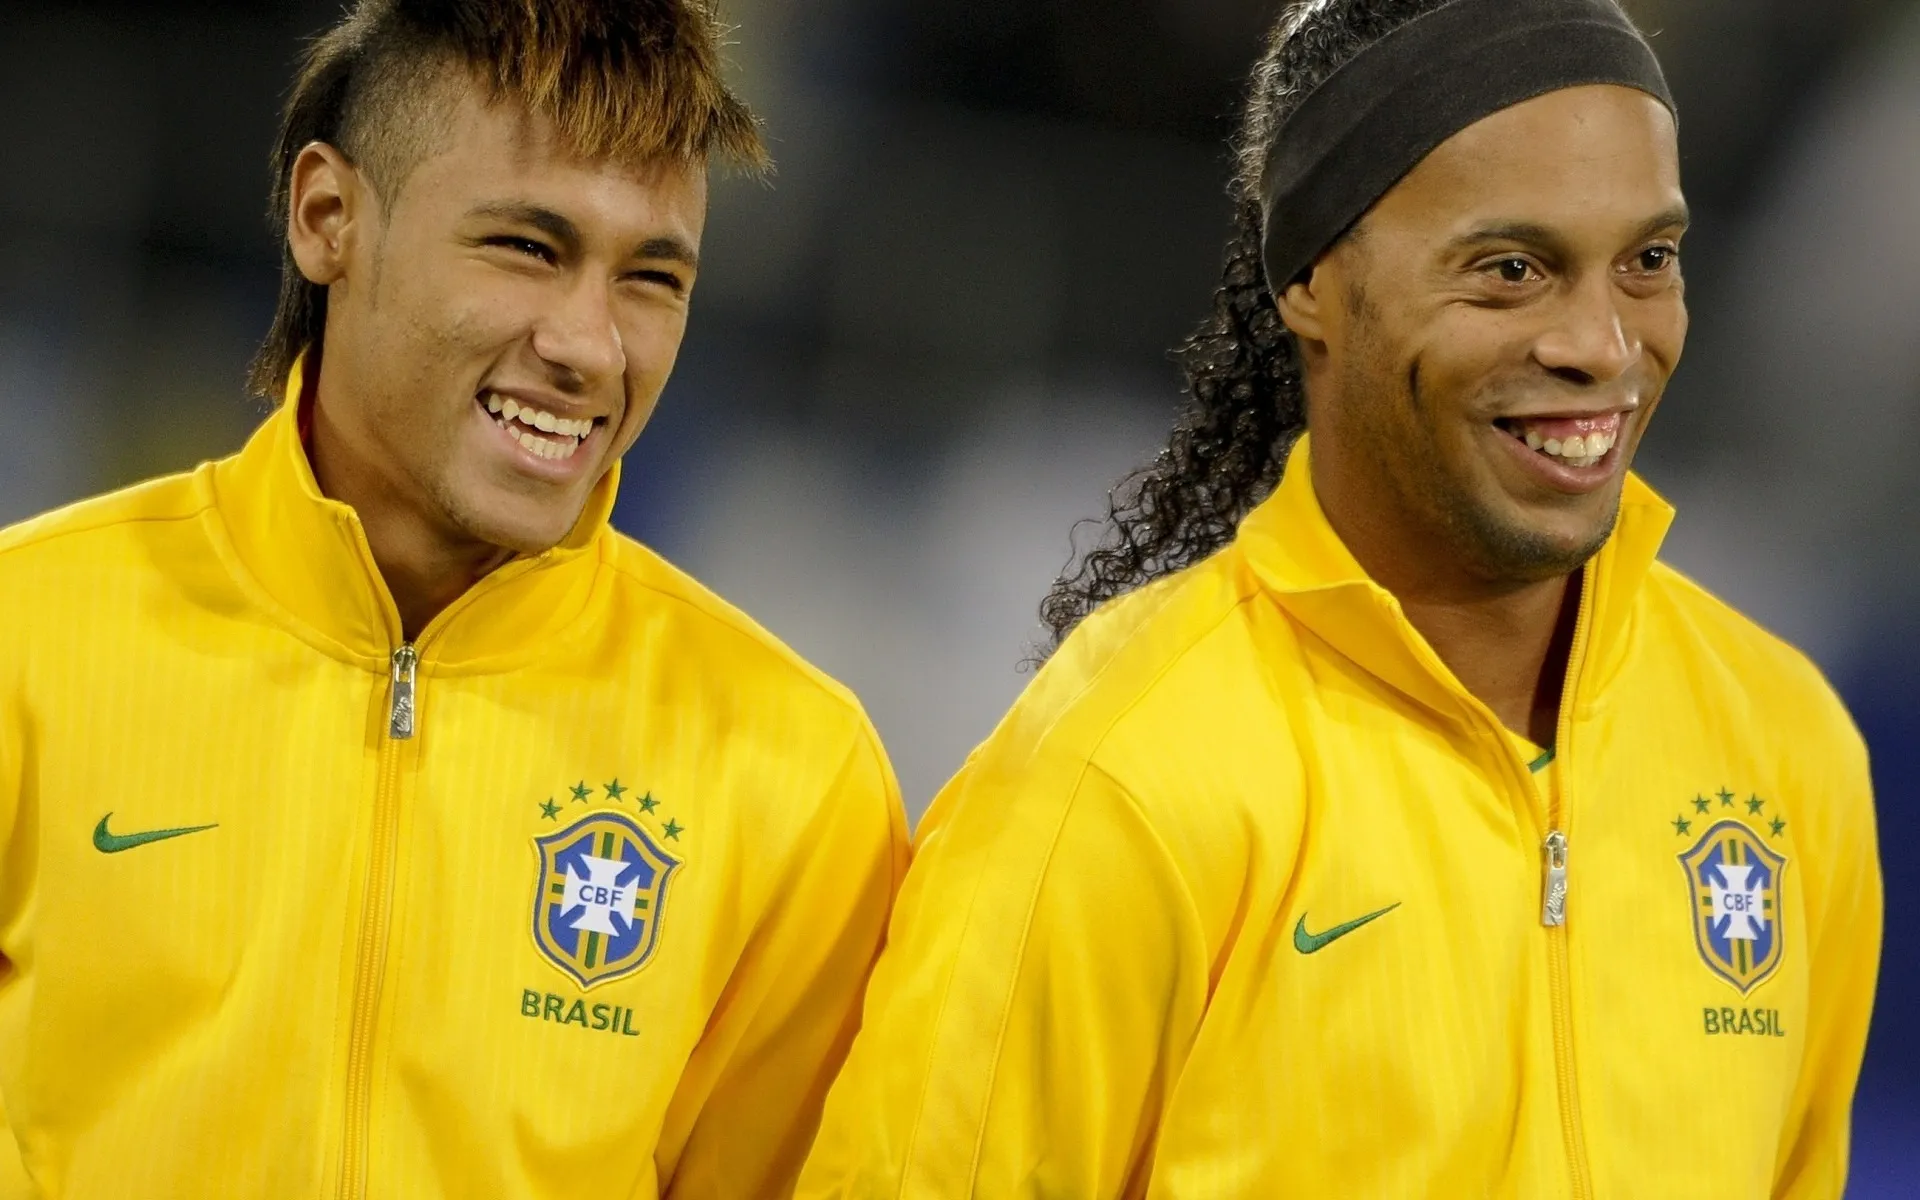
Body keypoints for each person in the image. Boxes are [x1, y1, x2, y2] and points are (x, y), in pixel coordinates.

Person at [800, 0, 1881, 1195]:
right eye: (1511, 269)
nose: (1603, 345)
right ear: (1314, 281)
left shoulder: (1785, 756)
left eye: (1648, 263)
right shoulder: (1121, 777)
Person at [0, 1, 907, 1195]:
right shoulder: (31, 636)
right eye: (526, 247)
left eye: (650, 277)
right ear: (329, 218)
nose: (591, 345)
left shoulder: (795, 778)